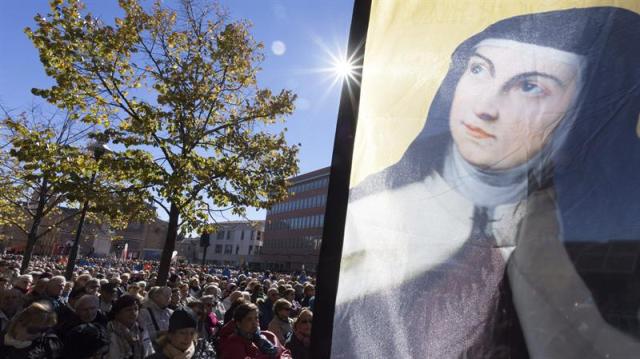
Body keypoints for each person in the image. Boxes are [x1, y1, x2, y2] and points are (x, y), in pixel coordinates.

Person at [332, 6, 640, 359]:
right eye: (479, 69)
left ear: (585, 111)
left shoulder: (612, 229)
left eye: (530, 86)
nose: (484, 106)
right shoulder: (374, 206)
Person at [220, 302, 290, 359]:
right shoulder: (234, 344)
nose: (254, 323)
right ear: (238, 323)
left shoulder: (268, 335)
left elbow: (284, 352)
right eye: (249, 319)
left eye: (256, 318)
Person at [107, 295, 154, 359]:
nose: (133, 313)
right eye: (128, 310)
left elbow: (149, 352)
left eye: (136, 309)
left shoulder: (140, 328)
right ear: (117, 313)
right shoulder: (110, 331)